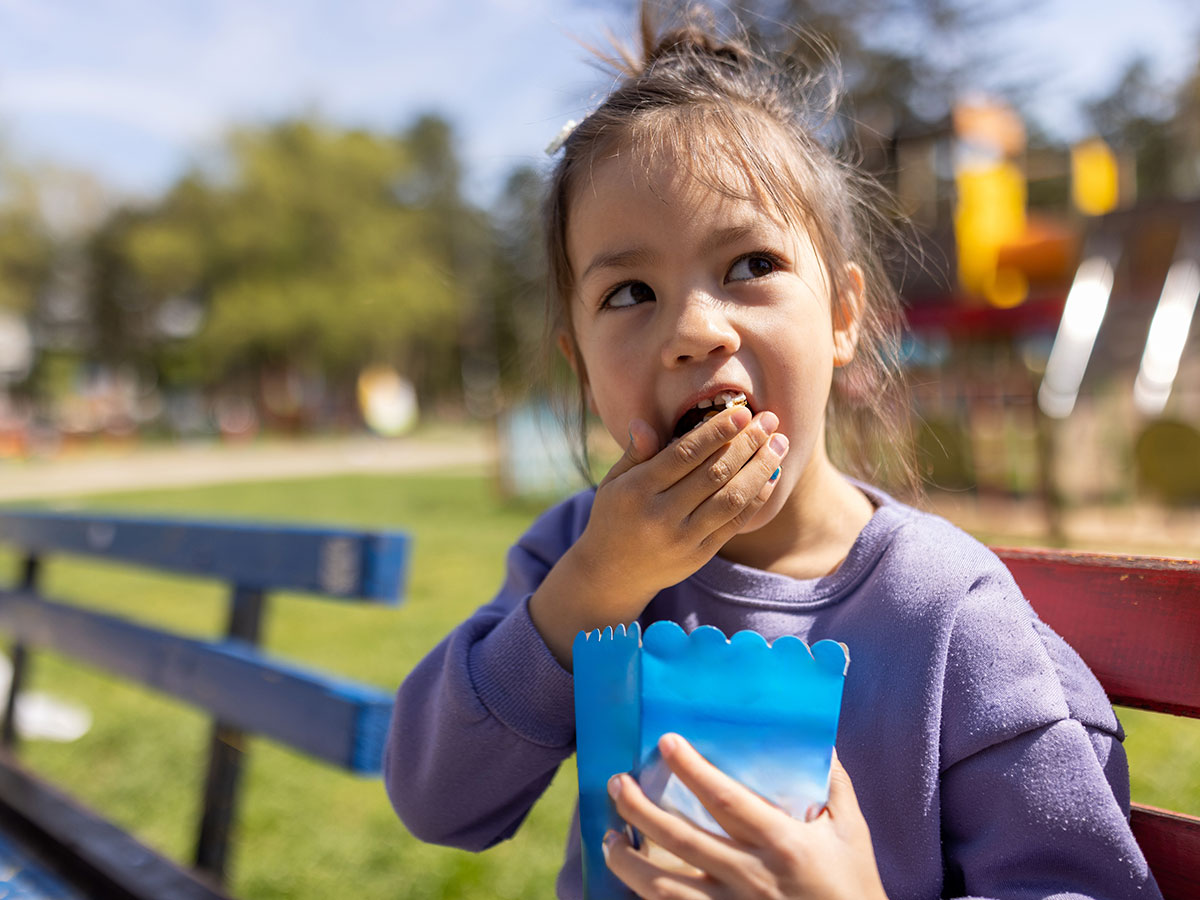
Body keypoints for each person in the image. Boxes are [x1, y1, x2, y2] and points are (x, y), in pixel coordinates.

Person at [384, 5, 1162, 899]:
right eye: (630, 290)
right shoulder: (575, 559)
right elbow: (435, 804)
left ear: (842, 315)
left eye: (750, 266)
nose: (694, 330)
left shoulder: (952, 617)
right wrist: (587, 595)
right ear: (581, 363)